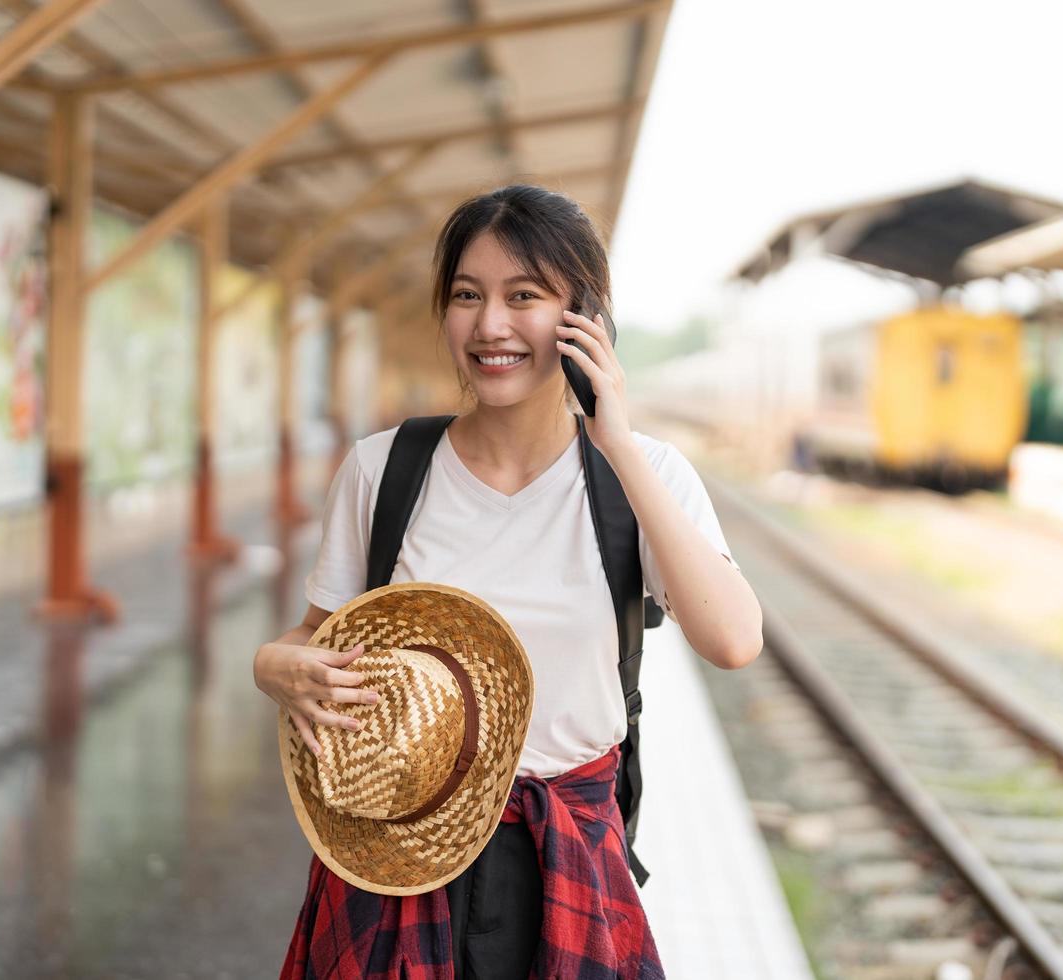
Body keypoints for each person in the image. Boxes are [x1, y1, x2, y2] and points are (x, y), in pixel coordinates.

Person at [254, 184, 764, 979]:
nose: (490, 325)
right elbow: (316, 640)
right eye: (467, 296)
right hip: (395, 857)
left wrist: (618, 443)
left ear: (586, 318)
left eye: (523, 296)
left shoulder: (644, 474)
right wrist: (270, 665)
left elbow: (733, 640)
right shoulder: (383, 470)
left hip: (569, 860)